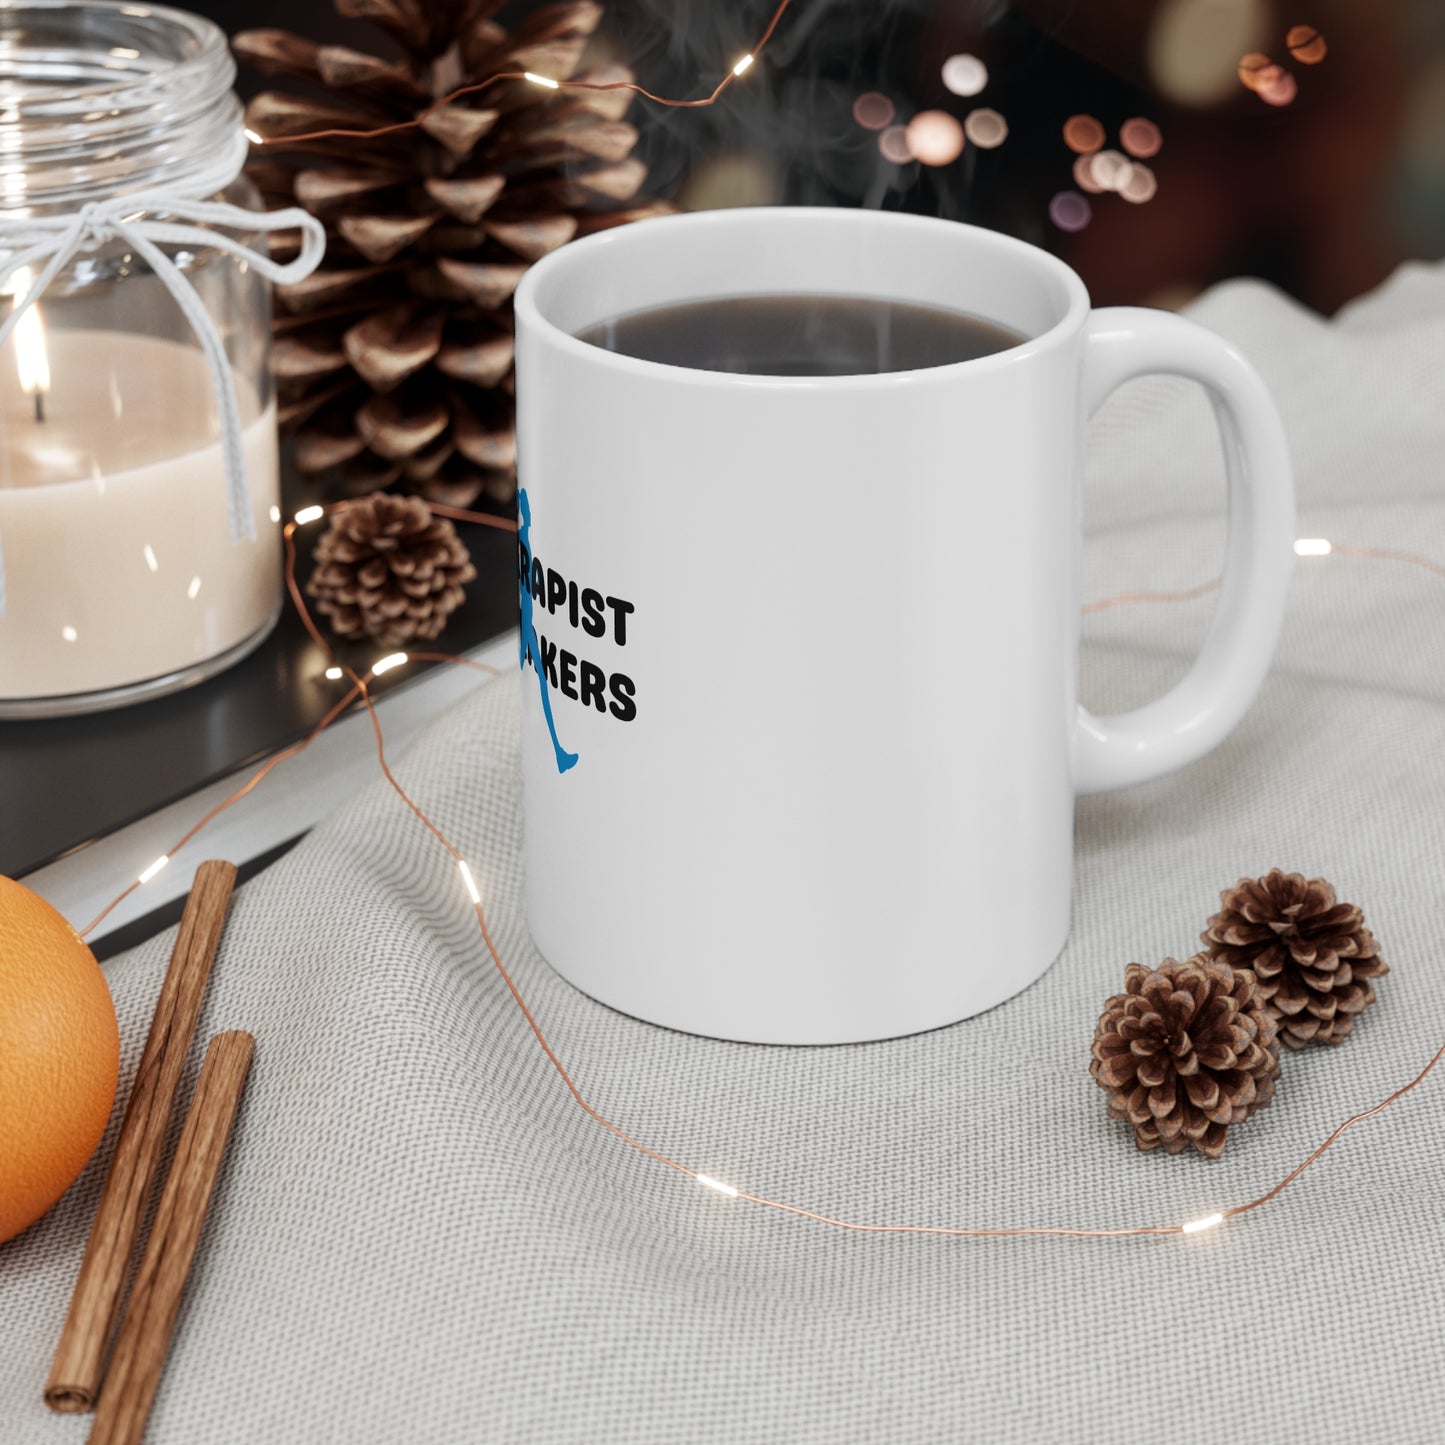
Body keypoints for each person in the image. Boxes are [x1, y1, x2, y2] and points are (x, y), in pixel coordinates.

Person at [517, 489, 579, 774]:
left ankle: (555, 749)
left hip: (532, 624)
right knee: (541, 684)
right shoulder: (526, 537)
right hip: (532, 626)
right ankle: (554, 749)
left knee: (541, 684)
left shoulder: (527, 534)